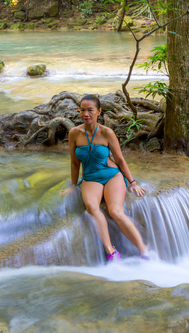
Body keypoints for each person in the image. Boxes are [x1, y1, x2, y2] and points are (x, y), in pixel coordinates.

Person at [63, 95, 149, 261]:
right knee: (91, 207)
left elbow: (120, 159)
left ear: (99, 111)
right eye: (82, 110)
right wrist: (73, 186)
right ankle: (111, 252)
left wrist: (133, 183)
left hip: (111, 176)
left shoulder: (106, 132)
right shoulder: (74, 133)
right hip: (90, 178)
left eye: (90, 110)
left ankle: (144, 250)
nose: (86, 113)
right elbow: (74, 163)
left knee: (115, 211)